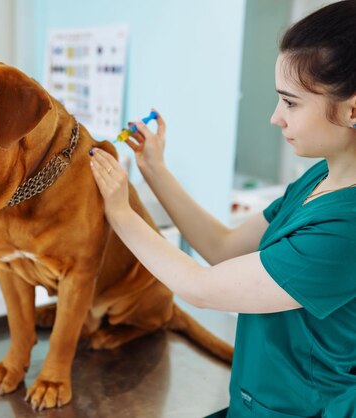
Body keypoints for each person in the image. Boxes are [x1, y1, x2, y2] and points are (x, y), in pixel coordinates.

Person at [90, 1, 356, 416]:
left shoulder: (346, 228)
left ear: (352, 110)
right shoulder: (318, 179)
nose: (275, 118)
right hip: (258, 399)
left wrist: (121, 214)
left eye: (291, 103)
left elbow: (202, 288)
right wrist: (155, 171)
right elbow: (224, 246)